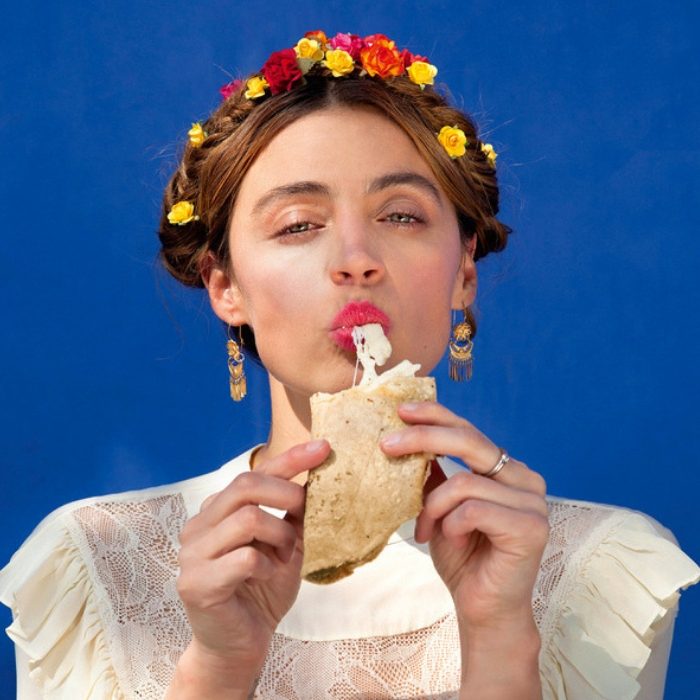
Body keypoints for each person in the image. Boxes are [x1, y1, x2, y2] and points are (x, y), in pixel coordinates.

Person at [1, 31, 698, 700]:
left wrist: (498, 644)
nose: (355, 259)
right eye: (299, 225)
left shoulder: (603, 572)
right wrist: (216, 669)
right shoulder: (92, 563)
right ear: (225, 286)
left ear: (464, 274)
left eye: (401, 216)